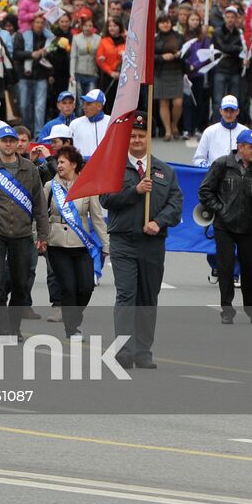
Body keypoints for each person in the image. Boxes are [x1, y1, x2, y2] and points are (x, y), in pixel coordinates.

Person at [101, 118, 183, 370]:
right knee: (126, 295)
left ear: (148, 138)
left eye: (141, 135)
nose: (137, 140)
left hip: (152, 242)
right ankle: (124, 351)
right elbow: (106, 199)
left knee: (147, 297)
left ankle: (143, 351)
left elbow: (176, 203)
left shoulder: (163, 171)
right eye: (133, 136)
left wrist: (159, 222)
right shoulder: (115, 167)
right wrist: (134, 191)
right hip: (123, 240)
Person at [0, 124, 49, 340]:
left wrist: (43, 235)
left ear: (17, 144)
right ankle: (4, 331)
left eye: (11, 141)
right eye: (4, 141)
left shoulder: (30, 169)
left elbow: (39, 205)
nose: (8, 144)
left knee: (21, 285)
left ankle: (15, 327)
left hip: (22, 234)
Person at [198, 130, 252, 325]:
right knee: (226, 268)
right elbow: (205, 191)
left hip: (249, 226)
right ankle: (227, 310)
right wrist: (221, 209)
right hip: (224, 227)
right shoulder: (222, 164)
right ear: (240, 146)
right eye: (251, 147)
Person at [44, 146, 108, 339]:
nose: (59, 165)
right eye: (58, 162)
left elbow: (97, 218)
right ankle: (72, 329)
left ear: (73, 164)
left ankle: (75, 316)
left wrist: (106, 244)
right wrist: (37, 237)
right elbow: (39, 214)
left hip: (81, 245)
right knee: (68, 287)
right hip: (56, 244)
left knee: (86, 287)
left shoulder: (88, 187)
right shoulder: (49, 186)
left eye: (62, 162)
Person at [193, 95, 244, 167]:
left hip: (239, 176)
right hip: (215, 176)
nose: (229, 114)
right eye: (226, 110)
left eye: (232, 110)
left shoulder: (246, 132)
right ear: (220, 111)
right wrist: (210, 169)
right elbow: (198, 159)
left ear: (237, 111)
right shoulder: (209, 132)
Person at [68, 89, 112, 158]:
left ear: (99, 106)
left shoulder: (111, 122)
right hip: (82, 166)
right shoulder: (75, 123)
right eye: (84, 103)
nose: (84, 107)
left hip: (105, 165)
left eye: (88, 104)